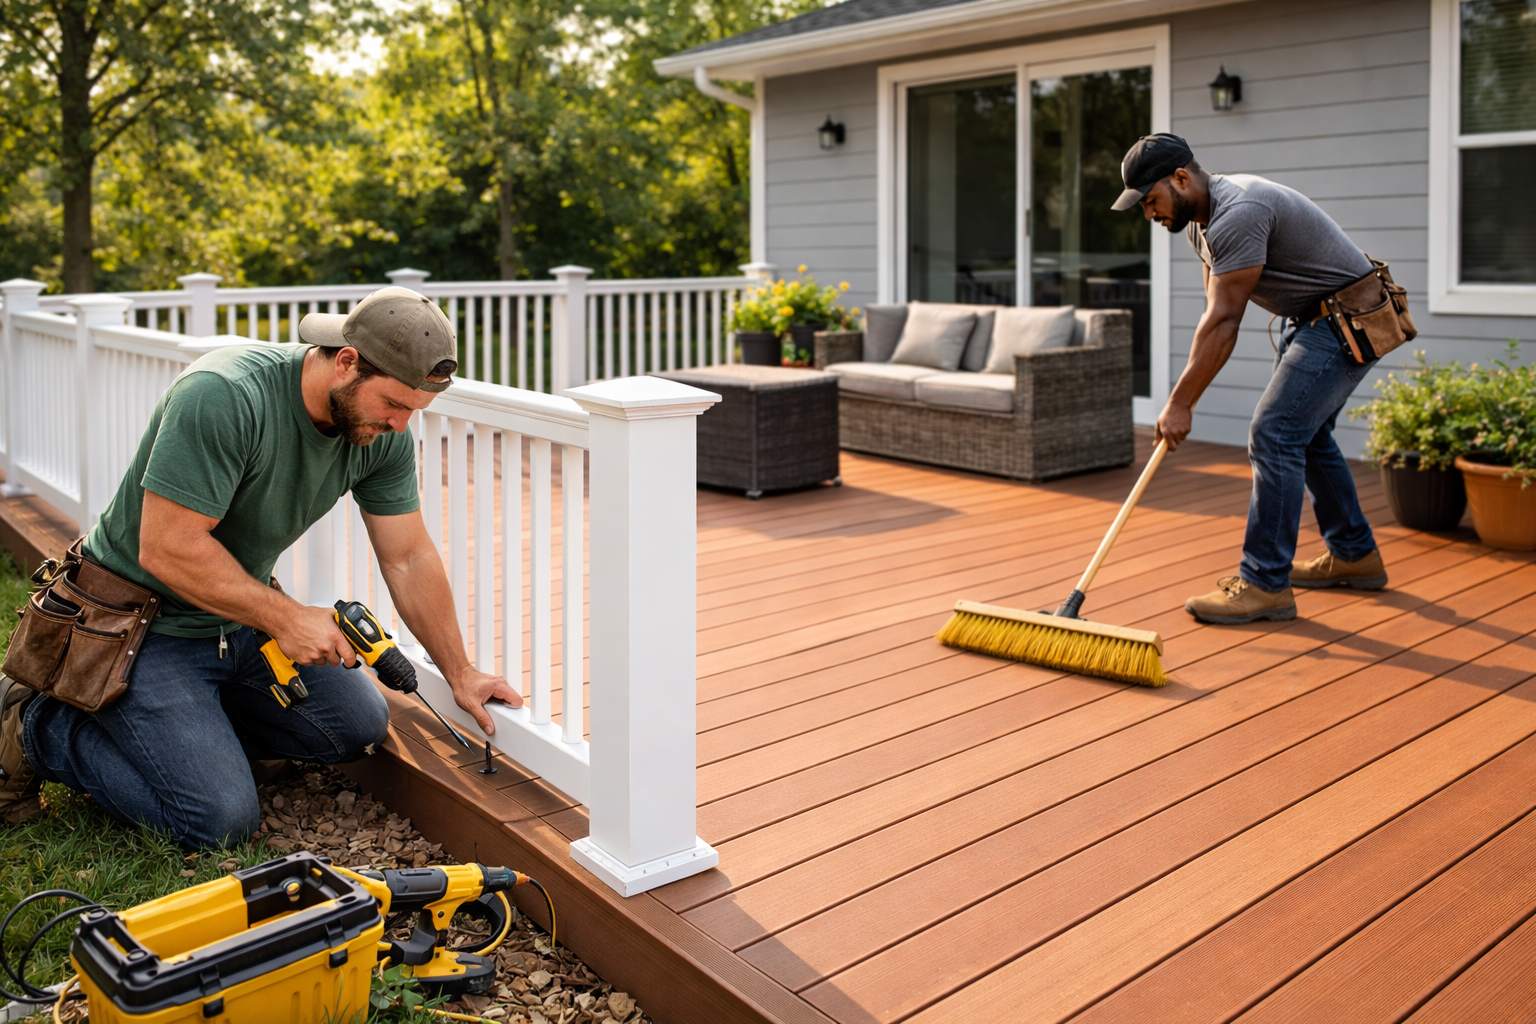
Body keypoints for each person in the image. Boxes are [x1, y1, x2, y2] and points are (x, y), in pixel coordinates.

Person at [0, 286, 522, 838]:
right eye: (393, 405)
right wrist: (286, 617)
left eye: (413, 411)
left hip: (236, 622)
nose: (399, 426)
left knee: (354, 728)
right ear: (347, 363)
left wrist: (460, 671)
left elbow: (409, 556)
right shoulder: (224, 395)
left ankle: (198, 734)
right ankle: (41, 725)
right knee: (217, 820)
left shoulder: (379, 436)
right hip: (142, 626)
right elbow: (168, 547)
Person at [1111, 134, 1388, 625]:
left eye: (1150, 201)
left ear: (1180, 178)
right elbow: (1213, 316)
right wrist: (1187, 394)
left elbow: (1225, 321)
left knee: (1275, 433)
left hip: (1348, 318)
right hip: (1312, 320)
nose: (1149, 214)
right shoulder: (1201, 222)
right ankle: (1353, 553)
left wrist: (1179, 404)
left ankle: (1265, 584)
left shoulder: (1238, 212)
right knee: (1306, 435)